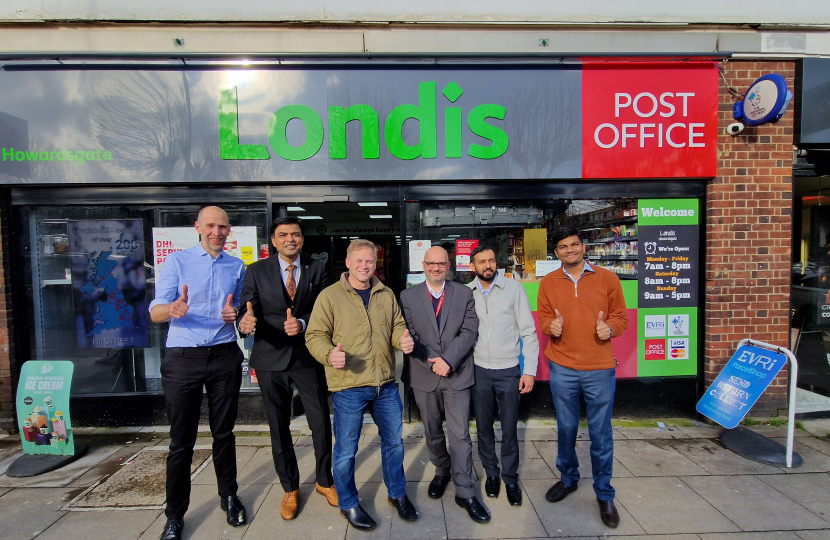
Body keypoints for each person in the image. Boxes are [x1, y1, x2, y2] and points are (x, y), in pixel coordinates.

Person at [148, 206, 247, 540]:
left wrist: (237, 314)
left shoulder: (237, 265)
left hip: (223, 355)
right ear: (198, 228)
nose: (216, 232)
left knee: (224, 433)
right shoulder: (177, 261)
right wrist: (171, 309)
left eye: (222, 227)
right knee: (181, 442)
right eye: (210, 226)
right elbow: (156, 312)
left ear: (229, 230)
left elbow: (244, 312)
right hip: (183, 356)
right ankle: (174, 516)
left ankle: (229, 497)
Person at [305, 239, 417, 531]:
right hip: (348, 386)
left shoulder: (385, 292)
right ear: (348, 263)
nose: (365, 266)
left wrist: (401, 339)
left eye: (370, 261)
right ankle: (348, 503)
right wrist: (330, 354)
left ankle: (397, 494)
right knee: (346, 450)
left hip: (385, 385)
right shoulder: (330, 296)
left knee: (394, 444)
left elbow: (396, 326)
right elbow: (314, 335)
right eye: (359, 261)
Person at [237, 216, 335, 520]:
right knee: (278, 425)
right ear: (273, 241)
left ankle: (324, 480)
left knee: (319, 421)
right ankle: (290, 487)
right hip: (270, 358)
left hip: (307, 357)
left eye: (295, 234)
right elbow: (246, 308)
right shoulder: (255, 271)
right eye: (283, 235)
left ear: (302, 240)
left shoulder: (317, 269)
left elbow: (326, 309)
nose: (290, 239)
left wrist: (303, 323)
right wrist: (244, 322)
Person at [536, 226, 628, 529]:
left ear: (583, 247)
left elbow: (620, 317)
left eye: (574, 245)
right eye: (563, 247)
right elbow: (545, 318)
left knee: (601, 434)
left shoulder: (608, 278)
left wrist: (610, 329)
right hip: (562, 366)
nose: (569, 250)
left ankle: (604, 493)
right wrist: (552, 328)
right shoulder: (548, 282)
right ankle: (568, 478)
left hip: (599, 367)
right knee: (566, 428)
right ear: (557, 252)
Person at [399, 246, 488, 524]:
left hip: (457, 374)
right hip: (424, 375)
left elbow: (469, 331)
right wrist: (431, 360)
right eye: (431, 264)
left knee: (460, 434)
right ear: (423, 266)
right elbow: (409, 334)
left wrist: (447, 361)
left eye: (441, 264)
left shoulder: (463, 293)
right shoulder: (408, 296)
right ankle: (441, 472)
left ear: (449, 265)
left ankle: (465, 490)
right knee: (432, 431)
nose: (436, 268)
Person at [467, 245, 539, 507]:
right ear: (472, 267)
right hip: (479, 371)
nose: (488, 265)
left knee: (509, 429)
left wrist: (529, 370)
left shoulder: (514, 289)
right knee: (484, 428)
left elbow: (528, 332)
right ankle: (492, 474)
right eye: (482, 262)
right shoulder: (466, 294)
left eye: (491, 260)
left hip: (509, 370)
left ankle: (510, 478)